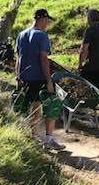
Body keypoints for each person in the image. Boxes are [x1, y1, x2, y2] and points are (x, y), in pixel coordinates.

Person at [15, 8, 64, 149]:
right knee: (52, 105)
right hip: (38, 77)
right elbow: (43, 59)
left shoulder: (21, 34)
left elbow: (18, 58)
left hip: (25, 77)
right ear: (42, 19)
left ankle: (32, 136)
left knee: (32, 107)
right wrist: (49, 80)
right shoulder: (42, 36)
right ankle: (49, 139)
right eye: (47, 21)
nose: (47, 24)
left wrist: (17, 76)